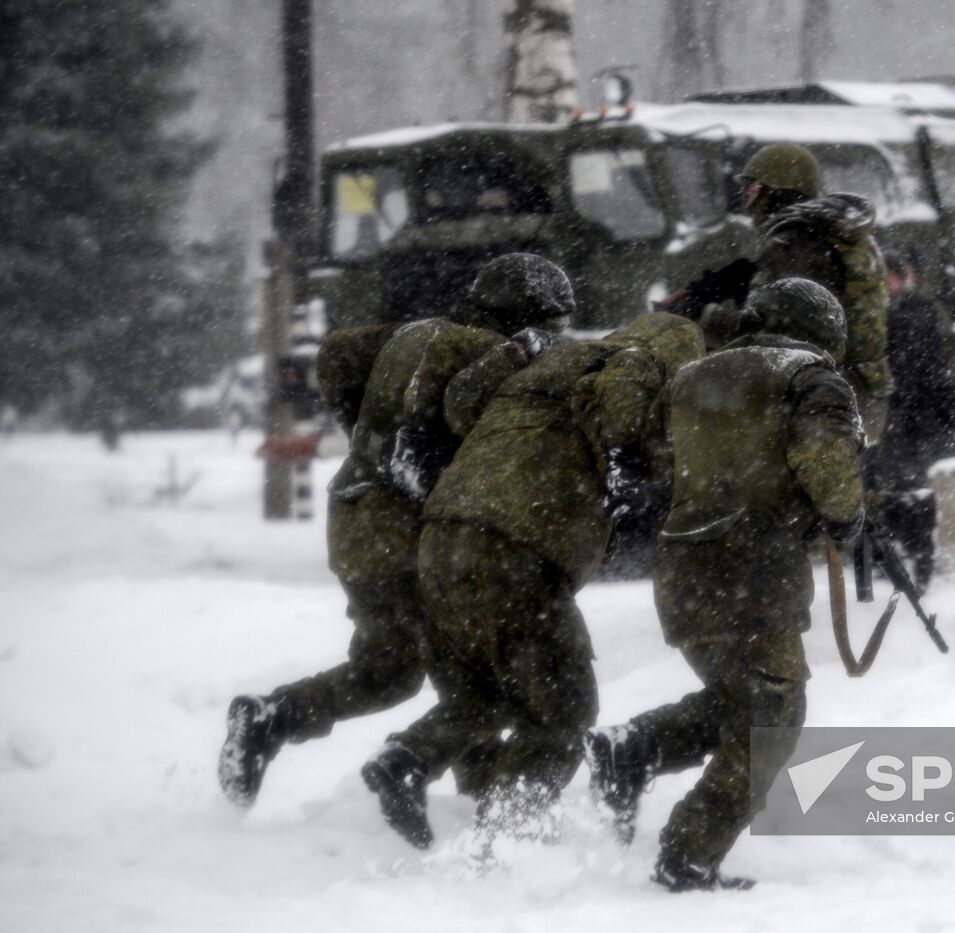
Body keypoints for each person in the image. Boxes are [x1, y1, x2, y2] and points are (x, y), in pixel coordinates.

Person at [217, 253, 575, 808]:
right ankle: (453, 786)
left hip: (354, 517)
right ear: (525, 313)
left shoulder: (414, 334)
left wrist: (365, 435)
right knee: (474, 680)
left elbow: (335, 355)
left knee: (387, 670)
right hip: (412, 530)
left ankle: (271, 717)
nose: (558, 334)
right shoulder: (487, 352)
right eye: (554, 322)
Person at [360, 311, 706, 851]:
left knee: (494, 692)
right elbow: (627, 388)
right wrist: (630, 462)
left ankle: (408, 757)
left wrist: (513, 358)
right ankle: (507, 834)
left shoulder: (553, 362)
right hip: (516, 546)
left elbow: (461, 401)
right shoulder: (636, 365)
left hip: (442, 534)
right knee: (564, 714)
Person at [589, 279, 866, 892]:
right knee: (774, 719)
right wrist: (845, 516)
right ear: (822, 332)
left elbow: (658, 457)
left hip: (682, 565)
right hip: (753, 566)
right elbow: (828, 465)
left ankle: (635, 747)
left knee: (741, 701)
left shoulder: (692, 376)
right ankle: (689, 853)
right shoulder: (809, 377)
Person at [668, 142, 893, 444]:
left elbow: (771, 340)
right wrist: (751, 277)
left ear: (773, 192)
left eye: (753, 190)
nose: (748, 202)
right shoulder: (843, 238)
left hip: (816, 408)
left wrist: (701, 315)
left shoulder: (794, 245)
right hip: (856, 396)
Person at [873, 248, 955, 589]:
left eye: (892, 277)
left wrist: (947, 402)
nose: (888, 284)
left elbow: (943, 359)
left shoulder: (923, 310)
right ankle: (896, 552)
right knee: (892, 488)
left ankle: (922, 554)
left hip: (924, 411)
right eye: (883, 278)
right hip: (891, 413)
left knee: (922, 487)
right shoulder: (872, 313)